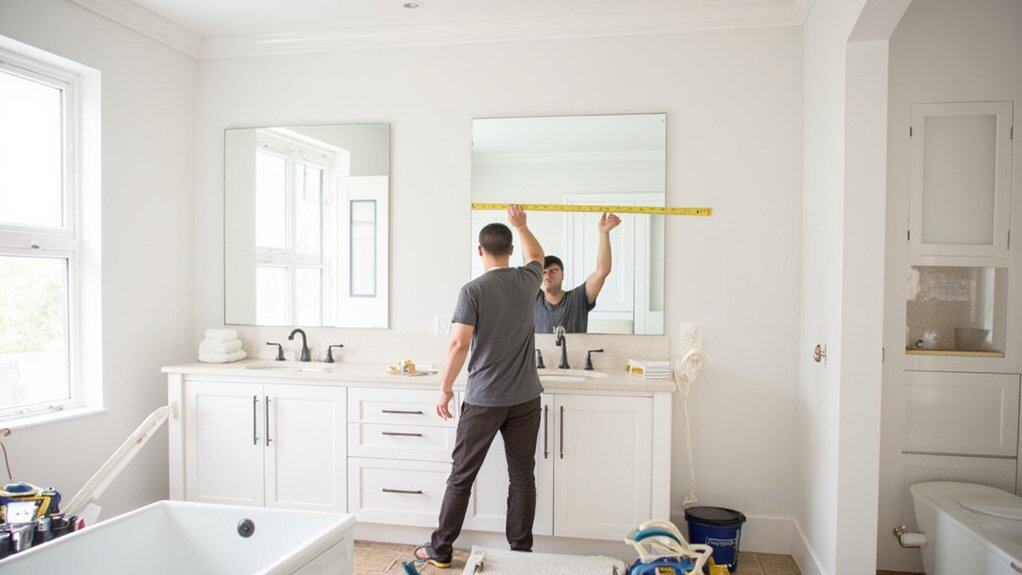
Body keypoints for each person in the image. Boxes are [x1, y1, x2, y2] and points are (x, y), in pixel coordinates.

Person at [414, 204, 545, 568]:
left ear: (479, 250)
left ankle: (441, 550)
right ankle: (520, 553)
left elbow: (459, 344)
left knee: (461, 476)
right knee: (522, 476)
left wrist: (444, 388)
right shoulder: (527, 280)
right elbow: (537, 255)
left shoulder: (473, 290)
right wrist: (523, 225)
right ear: (511, 250)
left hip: (485, 399)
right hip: (525, 399)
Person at [534, 212, 621, 333]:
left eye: (553, 271)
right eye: (544, 272)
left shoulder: (578, 298)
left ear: (563, 275)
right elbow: (530, 257)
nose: (548, 275)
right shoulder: (534, 299)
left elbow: (602, 271)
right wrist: (521, 226)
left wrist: (604, 233)